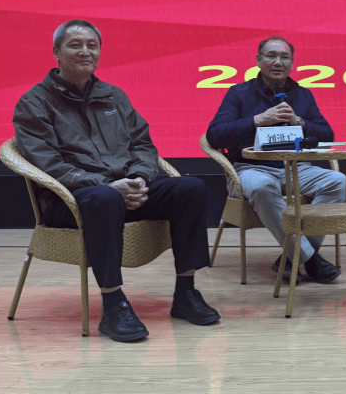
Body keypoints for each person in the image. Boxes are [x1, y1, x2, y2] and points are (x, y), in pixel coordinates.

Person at [13, 19, 219, 342]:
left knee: (190, 188)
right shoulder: (34, 102)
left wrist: (139, 178)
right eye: (75, 45)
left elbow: (143, 144)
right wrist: (106, 185)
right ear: (56, 52)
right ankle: (113, 304)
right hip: (71, 201)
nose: (85, 52)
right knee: (105, 198)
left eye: (92, 45)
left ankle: (186, 293)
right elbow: (48, 164)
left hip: (124, 191)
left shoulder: (113, 96)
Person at [206, 36, 345, 284]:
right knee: (261, 186)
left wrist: (298, 122)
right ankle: (310, 259)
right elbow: (215, 135)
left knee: (337, 181)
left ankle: (292, 258)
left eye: (284, 57)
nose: (278, 62)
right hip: (251, 169)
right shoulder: (239, 93)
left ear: (292, 63)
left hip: (296, 168)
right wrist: (257, 120)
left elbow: (327, 136)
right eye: (271, 56)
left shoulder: (303, 95)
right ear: (259, 60)